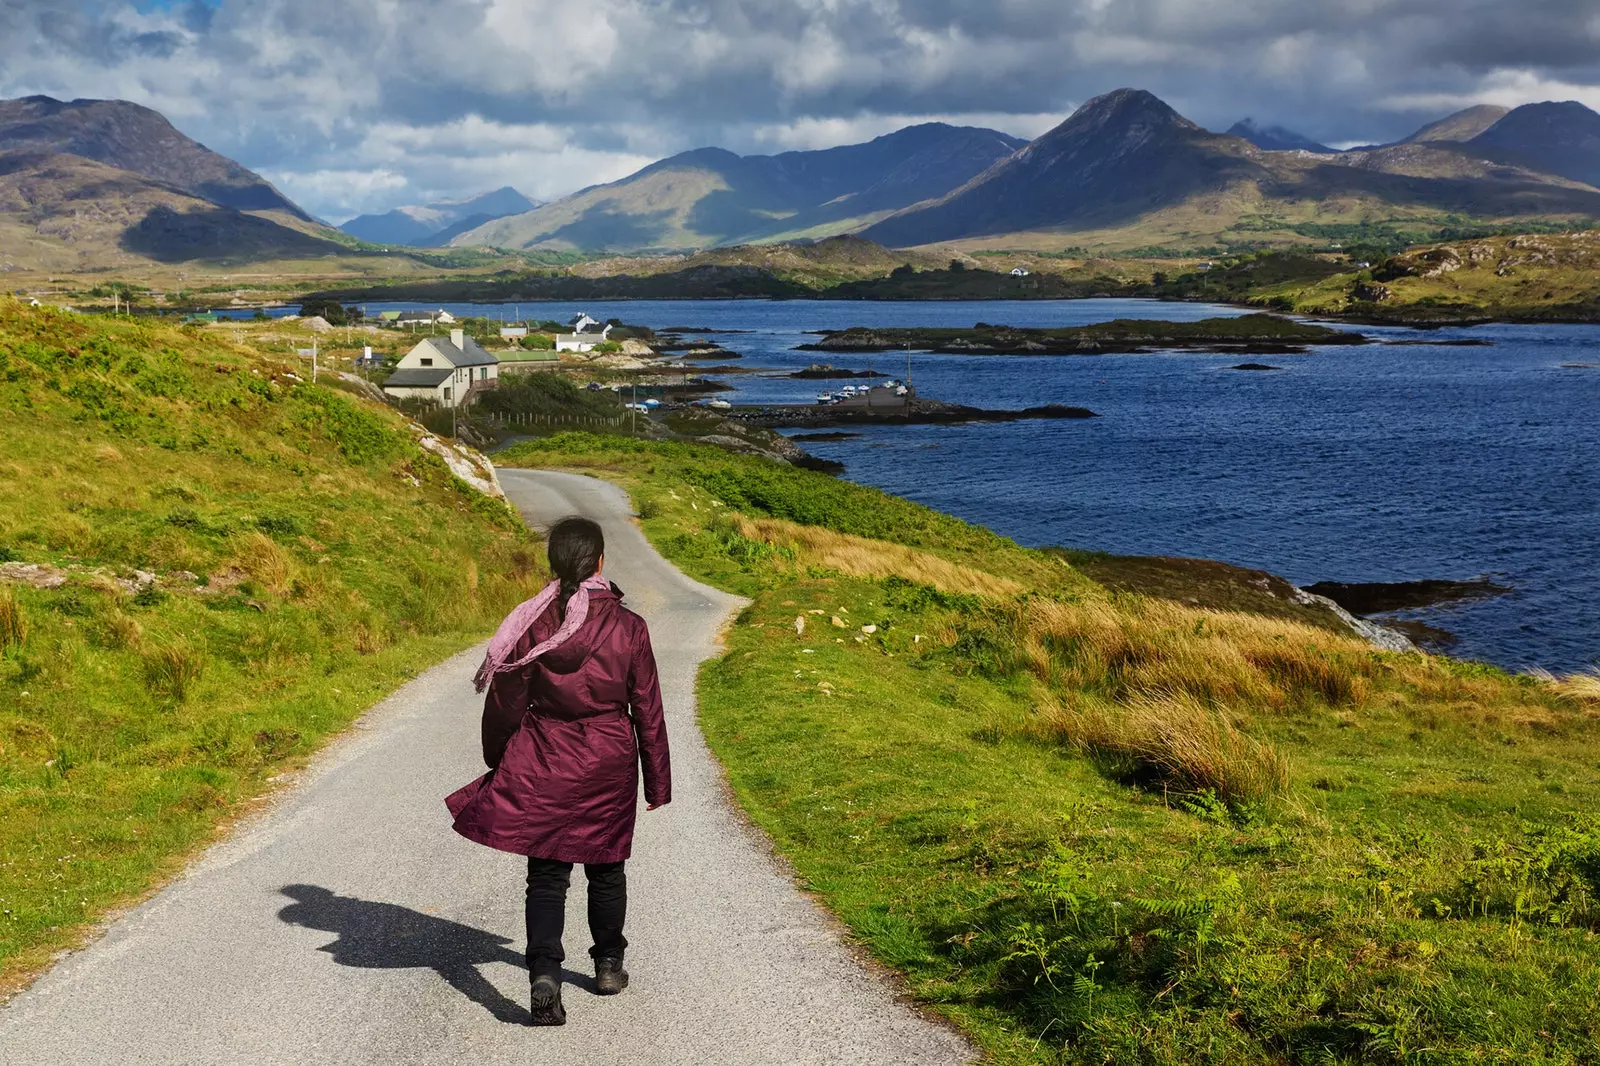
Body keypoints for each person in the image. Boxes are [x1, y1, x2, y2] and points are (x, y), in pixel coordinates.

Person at [446, 516, 670, 1026]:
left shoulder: (531, 623)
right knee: (607, 868)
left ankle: (544, 973)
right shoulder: (630, 627)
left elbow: (506, 700)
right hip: (610, 756)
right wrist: (657, 781)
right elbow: (648, 709)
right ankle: (608, 966)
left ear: (553, 563)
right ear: (599, 561)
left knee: (546, 876)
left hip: (545, 753)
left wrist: (501, 757)